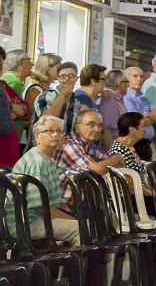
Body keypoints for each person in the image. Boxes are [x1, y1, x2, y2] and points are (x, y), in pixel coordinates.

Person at [10, 116, 80, 244]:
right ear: (36, 137)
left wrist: (73, 217)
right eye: (49, 131)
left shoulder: (48, 160)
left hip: (39, 217)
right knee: (80, 229)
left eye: (59, 131)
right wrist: (73, 221)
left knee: (86, 223)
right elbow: (40, 208)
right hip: (25, 222)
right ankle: (77, 264)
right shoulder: (37, 162)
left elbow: (56, 202)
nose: (55, 134)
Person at [54, 110, 124, 206]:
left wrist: (113, 160)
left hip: (82, 203)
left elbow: (113, 162)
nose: (97, 129)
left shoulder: (87, 146)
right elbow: (96, 169)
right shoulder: (70, 145)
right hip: (67, 206)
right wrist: (116, 159)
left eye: (100, 125)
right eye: (91, 125)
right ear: (76, 127)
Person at [124, 66, 156, 160]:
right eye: (135, 76)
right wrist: (150, 115)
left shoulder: (143, 97)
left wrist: (145, 115)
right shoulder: (126, 96)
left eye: (141, 76)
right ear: (127, 78)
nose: (139, 79)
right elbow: (135, 121)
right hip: (135, 143)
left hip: (147, 143)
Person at [38, 61, 84, 131]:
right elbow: (48, 119)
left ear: (76, 79)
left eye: (71, 76)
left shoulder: (77, 102)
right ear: (58, 78)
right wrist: (63, 94)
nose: (67, 79)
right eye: (63, 76)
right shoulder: (46, 96)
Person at [1, 49, 31, 149]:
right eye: (29, 60)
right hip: (7, 140)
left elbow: (25, 110)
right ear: (20, 63)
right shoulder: (13, 82)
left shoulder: (7, 81)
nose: (32, 63)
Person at [0, 70, 27, 166]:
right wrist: (12, 109)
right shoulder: (13, 82)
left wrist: (9, 106)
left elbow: (25, 110)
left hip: (10, 148)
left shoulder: (3, 86)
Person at [98, 69, 129, 144]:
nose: (128, 85)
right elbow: (107, 129)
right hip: (113, 146)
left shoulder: (117, 99)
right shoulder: (108, 100)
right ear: (119, 84)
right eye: (126, 82)